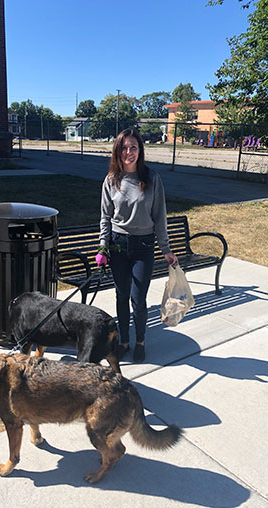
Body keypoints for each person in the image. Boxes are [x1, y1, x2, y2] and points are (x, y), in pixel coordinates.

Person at [95, 128, 178, 363]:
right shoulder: (111, 180)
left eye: (133, 147)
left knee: (138, 299)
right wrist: (103, 246)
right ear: (117, 151)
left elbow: (160, 217)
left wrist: (166, 249)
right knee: (121, 296)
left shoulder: (152, 178)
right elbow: (105, 217)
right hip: (118, 246)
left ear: (140, 150)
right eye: (124, 148)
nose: (128, 152)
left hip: (143, 246)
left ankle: (140, 341)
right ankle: (124, 341)